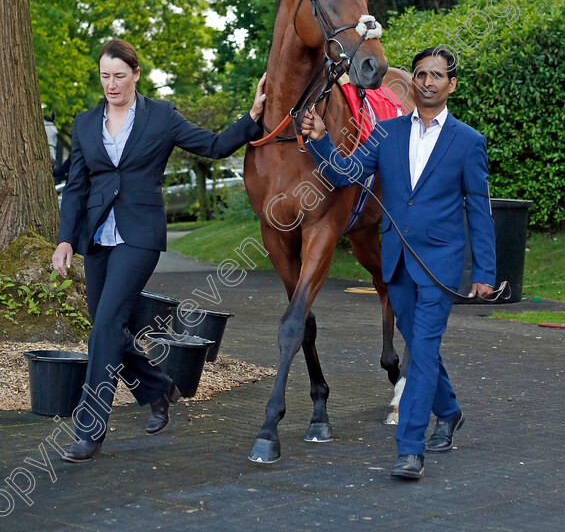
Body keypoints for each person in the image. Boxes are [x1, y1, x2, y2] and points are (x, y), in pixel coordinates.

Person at [52, 39, 266, 463]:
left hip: (140, 236)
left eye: (118, 75)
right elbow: (76, 188)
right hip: (97, 238)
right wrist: (65, 239)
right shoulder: (84, 122)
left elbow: (214, 145)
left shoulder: (161, 116)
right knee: (108, 327)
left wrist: (253, 117)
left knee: (106, 324)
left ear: (135, 74)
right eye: (104, 77)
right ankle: (158, 388)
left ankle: (90, 429)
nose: (110, 84)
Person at [301, 47, 496, 481]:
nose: (427, 81)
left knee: (421, 351)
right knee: (418, 343)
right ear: (413, 83)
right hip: (397, 262)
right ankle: (448, 410)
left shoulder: (468, 142)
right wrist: (319, 141)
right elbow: (345, 174)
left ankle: (410, 449)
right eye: (421, 74)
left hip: (440, 265)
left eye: (437, 75)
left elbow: (479, 211)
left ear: (451, 85)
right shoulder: (384, 134)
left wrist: (484, 271)